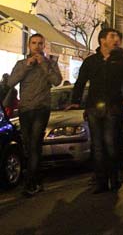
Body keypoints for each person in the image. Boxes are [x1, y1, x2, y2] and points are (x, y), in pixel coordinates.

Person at [71, 28, 123, 193]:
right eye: (112, 36)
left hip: (114, 107)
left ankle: (114, 177)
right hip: (94, 107)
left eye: (118, 37)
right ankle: (100, 180)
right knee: (97, 145)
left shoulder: (121, 61)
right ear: (102, 40)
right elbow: (80, 82)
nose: (116, 40)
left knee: (111, 142)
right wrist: (75, 101)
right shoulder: (91, 61)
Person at [6, 34, 62, 196]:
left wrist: (43, 64)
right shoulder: (21, 63)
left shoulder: (50, 63)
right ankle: (37, 179)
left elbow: (56, 80)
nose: (37, 46)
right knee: (29, 146)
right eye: (34, 43)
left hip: (41, 108)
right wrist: (27, 66)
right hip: (25, 109)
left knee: (35, 143)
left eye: (40, 43)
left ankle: (30, 183)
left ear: (44, 46)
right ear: (29, 45)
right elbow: (11, 82)